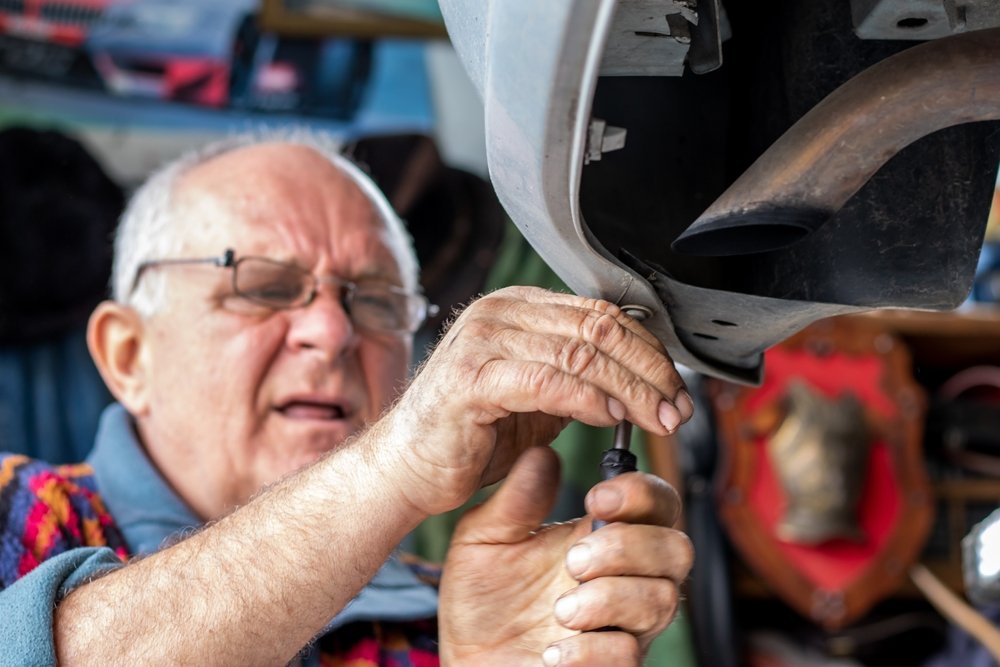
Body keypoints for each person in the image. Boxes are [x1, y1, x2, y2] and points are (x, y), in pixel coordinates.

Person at [0, 129, 695, 666]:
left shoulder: (456, 606)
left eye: (373, 301)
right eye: (265, 287)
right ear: (129, 355)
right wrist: (385, 467)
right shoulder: (17, 510)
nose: (332, 331)